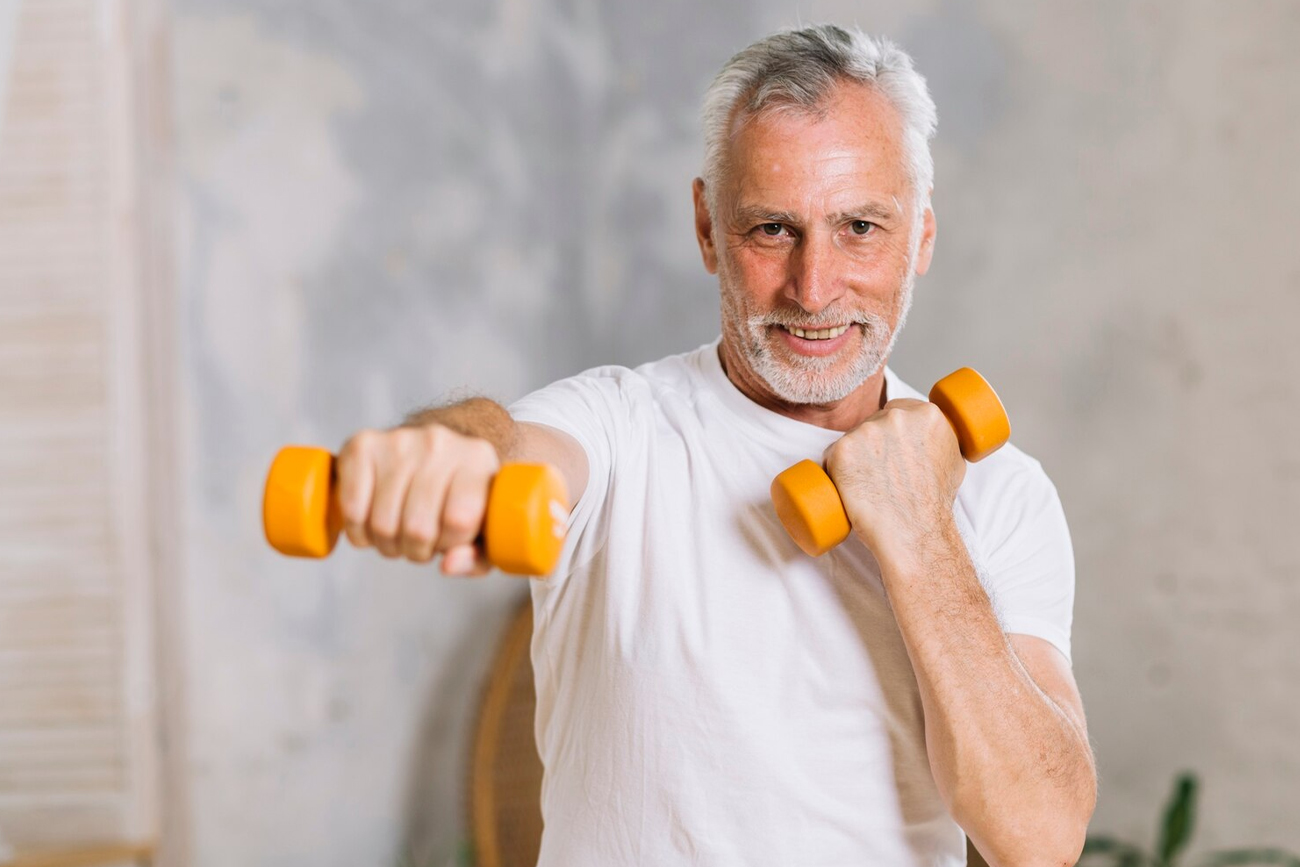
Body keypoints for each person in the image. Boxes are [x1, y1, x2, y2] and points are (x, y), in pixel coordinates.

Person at [335, 24, 1097, 866]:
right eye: (772, 229)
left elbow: (1042, 836)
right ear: (706, 227)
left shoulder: (1002, 494)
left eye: (860, 228)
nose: (814, 289)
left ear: (920, 235)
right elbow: (505, 448)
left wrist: (921, 534)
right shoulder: (623, 428)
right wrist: (447, 454)